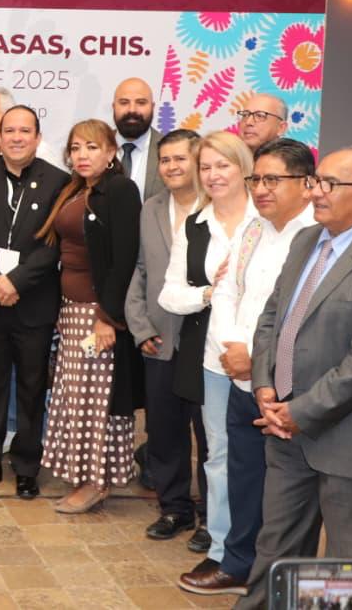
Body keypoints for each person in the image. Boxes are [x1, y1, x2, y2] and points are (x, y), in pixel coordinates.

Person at [237, 148, 352, 609]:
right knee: (276, 546)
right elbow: (272, 317)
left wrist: (298, 411)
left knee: (346, 567)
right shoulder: (306, 241)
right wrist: (265, 385)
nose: (317, 192)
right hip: (286, 427)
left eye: (330, 184)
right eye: (316, 181)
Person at [178, 139, 317, 597]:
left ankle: (278, 575)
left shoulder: (316, 236)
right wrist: (233, 348)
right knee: (242, 475)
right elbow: (226, 291)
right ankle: (238, 564)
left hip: (288, 384)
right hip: (239, 375)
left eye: (272, 180)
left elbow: (305, 316)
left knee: (288, 487)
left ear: (307, 184)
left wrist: (257, 362)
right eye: (257, 179)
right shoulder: (253, 229)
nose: (260, 189)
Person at [0, 105, 70, 497]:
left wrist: (16, 281)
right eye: (10, 131)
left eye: (25, 131)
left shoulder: (58, 181)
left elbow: (53, 244)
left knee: (32, 389)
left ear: (37, 137)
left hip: (33, 302)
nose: (17, 138)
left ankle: (26, 468)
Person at [158, 131, 256, 574]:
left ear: (244, 167)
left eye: (223, 165)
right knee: (219, 457)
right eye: (206, 167)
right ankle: (221, 550)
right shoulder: (194, 225)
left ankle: (262, 546)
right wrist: (207, 294)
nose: (213, 175)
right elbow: (170, 294)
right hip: (213, 359)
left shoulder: (269, 220)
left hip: (264, 357)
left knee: (266, 459)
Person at [38, 118, 143, 513]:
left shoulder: (120, 190)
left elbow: (124, 257)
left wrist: (107, 317)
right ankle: (82, 475)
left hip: (97, 315)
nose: (82, 155)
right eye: (76, 147)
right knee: (75, 399)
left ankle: (96, 482)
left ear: (111, 152)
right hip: (72, 311)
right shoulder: (77, 189)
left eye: (92, 147)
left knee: (95, 403)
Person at [125, 129, 211, 549]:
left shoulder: (219, 207)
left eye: (181, 158)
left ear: (199, 162)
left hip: (207, 343)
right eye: (165, 160)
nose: (172, 167)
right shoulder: (152, 208)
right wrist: (140, 326)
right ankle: (174, 508)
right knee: (163, 431)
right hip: (159, 339)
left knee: (210, 437)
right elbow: (141, 270)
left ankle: (213, 517)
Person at [113, 77, 164, 201]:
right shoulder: (94, 147)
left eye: (141, 103)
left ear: (152, 107)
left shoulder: (168, 150)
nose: (132, 110)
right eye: (124, 102)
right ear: (113, 106)